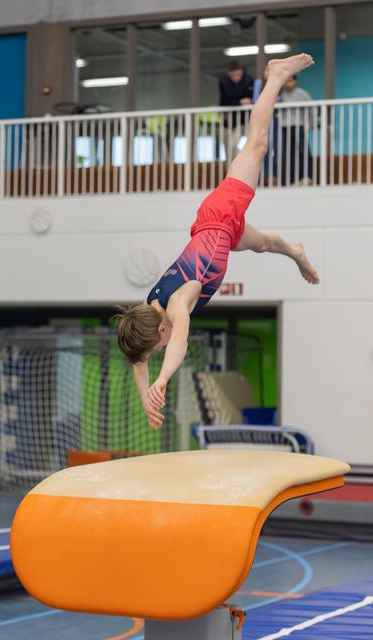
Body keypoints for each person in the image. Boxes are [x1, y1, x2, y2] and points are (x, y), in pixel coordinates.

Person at [116, 54, 319, 430]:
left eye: (154, 347)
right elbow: (136, 358)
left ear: (161, 330)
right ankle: (296, 252)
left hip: (219, 216)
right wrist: (146, 398)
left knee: (256, 144)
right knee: (265, 244)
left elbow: (177, 345)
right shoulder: (145, 310)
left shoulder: (177, 304)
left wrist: (162, 382)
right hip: (223, 235)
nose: (153, 354)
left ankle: (274, 77)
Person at [279, 74, 314, 185]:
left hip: (299, 125)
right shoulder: (280, 94)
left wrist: (309, 125)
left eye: (290, 81)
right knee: (288, 153)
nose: (288, 83)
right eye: (286, 81)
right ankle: (293, 179)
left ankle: (307, 177)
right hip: (284, 126)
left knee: (303, 151)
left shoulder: (302, 94)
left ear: (295, 81)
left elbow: (311, 110)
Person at [219, 60, 254, 159]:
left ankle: (241, 163)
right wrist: (240, 102)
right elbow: (225, 100)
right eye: (232, 75)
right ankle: (230, 168)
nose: (235, 78)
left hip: (243, 120)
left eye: (238, 74)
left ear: (242, 72)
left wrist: (244, 101)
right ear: (228, 74)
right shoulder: (223, 81)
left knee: (234, 144)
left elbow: (252, 99)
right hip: (228, 120)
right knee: (227, 146)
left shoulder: (249, 80)